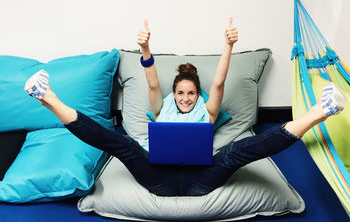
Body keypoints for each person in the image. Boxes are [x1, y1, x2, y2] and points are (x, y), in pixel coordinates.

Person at [24, 19, 347, 197]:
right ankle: (46, 96)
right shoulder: (160, 106)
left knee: (239, 152)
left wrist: (229, 46)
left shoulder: (206, 111)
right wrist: (145, 47)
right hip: (156, 178)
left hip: (202, 180)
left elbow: (219, 84)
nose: (185, 98)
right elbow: (151, 83)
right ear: (173, 93)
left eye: (191, 93)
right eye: (180, 92)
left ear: (197, 94)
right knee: (123, 145)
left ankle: (322, 110)